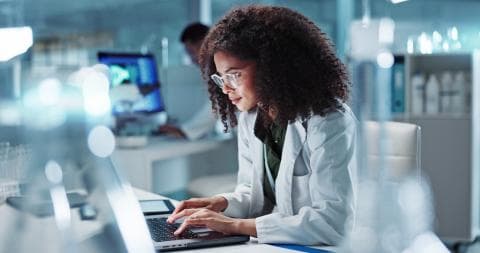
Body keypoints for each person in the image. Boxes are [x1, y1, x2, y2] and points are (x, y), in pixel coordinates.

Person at [167, 5, 357, 246]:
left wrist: (234, 225)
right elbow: (254, 194)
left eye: (234, 75)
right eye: (221, 77)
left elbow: (333, 222)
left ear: (272, 67)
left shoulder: (327, 120)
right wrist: (221, 203)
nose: (225, 89)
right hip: (278, 243)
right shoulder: (251, 116)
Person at [158, 22, 218, 140]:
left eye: (191, 52)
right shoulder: (214, 67)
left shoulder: (219, 66)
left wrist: (185, 131)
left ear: (204, 44)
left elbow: (217, 106)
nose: (192, 59)